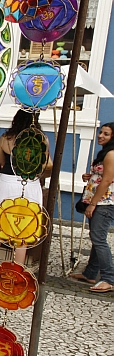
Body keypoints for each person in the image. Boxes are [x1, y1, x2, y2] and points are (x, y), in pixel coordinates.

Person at [0, 110, 52, 269]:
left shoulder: (5, 138)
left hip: (6, 183)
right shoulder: (41, 139)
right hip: (30, 184)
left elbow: (2, 162)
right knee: (24, 229)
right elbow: (48, 165)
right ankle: (18, 269)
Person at [70, 122, 114, 292]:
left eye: (106, 134)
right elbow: (103, 175)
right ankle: (90, 272)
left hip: (104, 203)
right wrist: (92, 175)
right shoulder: (105, 153)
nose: (100, 136)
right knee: (97, 237)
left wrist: (93, 203)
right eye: (100, 132)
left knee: (98, 239)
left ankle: (109, 278)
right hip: (98, 200)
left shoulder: (111, 154)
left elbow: (107, 180)